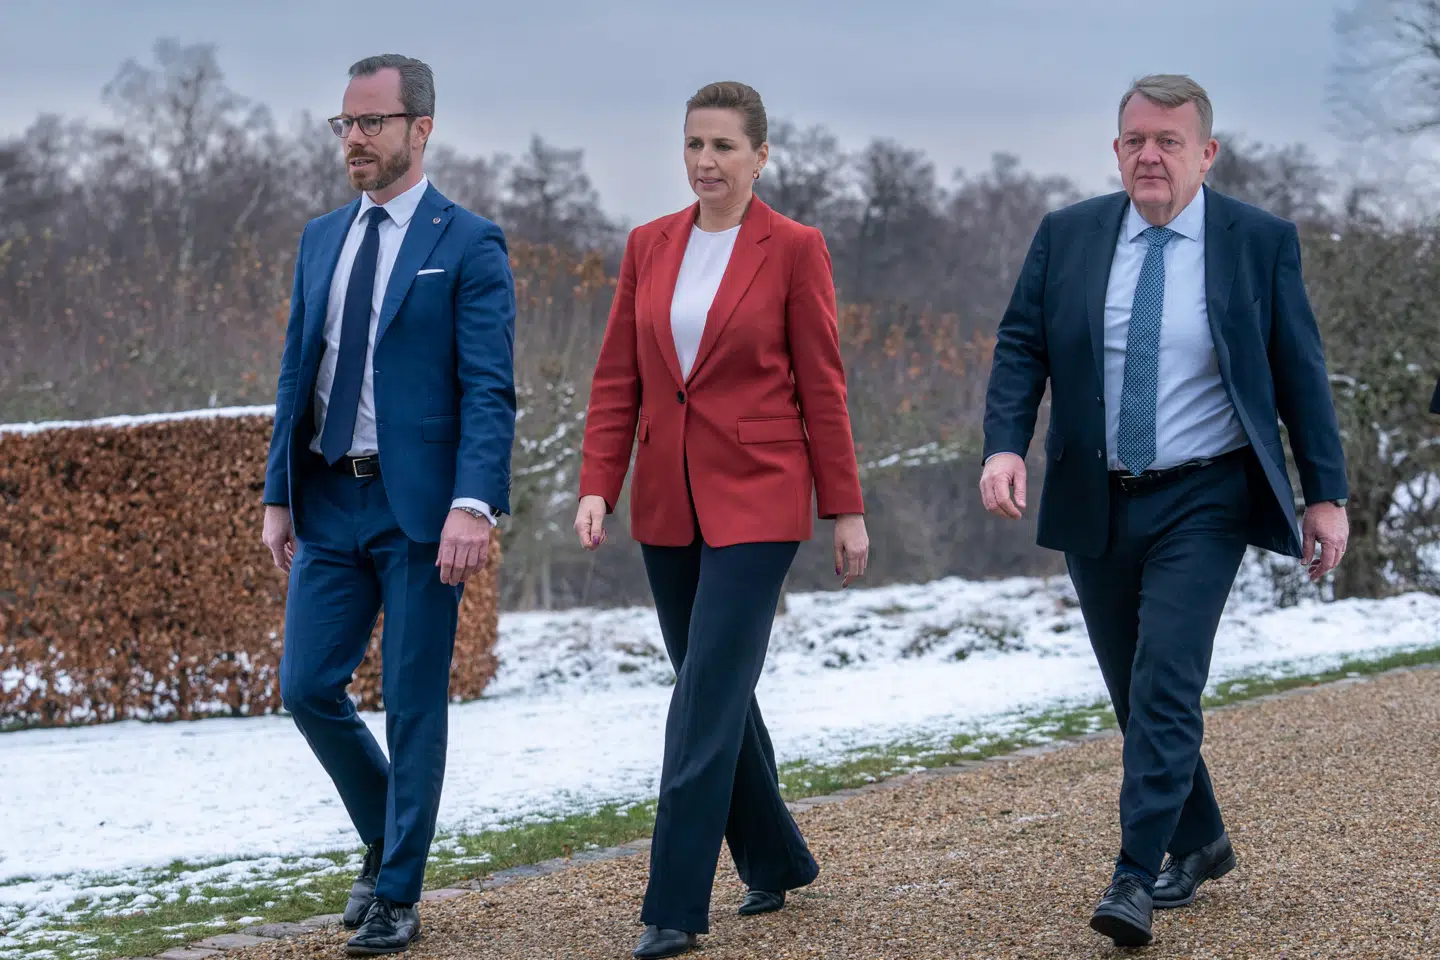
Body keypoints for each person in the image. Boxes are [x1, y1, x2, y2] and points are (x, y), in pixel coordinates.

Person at [979, 74, 1349, 948]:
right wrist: (1003, 444)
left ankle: (1134, 875)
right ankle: (1204, 839)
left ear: (1205, 153)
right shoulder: (1068, 236)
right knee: (1133, 690)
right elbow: (1021, 345)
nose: (1151, 154)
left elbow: (1301, 372)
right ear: (1117, 150)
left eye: (1169, 141)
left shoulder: (1257, 242)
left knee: (1166, 679)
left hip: (1206, 495)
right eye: (1136, 140)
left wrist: (1324, 494)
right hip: (1094, 497)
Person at [573, 80, 869, 959]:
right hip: (668, 499)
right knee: (717, 683)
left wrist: (844, 509)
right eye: (695, 144)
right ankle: (776, 856)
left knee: (702, 698)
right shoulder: (648, 245)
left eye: (724, 147)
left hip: (762, 497)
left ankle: (673, 904)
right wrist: (600, 481)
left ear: (760, 156)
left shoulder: (795, 248)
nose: (706, 161)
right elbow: (618, 377)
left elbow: (824, 385)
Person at [259, 54, 516, 956]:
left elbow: (489, 389)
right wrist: (277, 496)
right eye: (345, 124)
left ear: (421, 129)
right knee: (306, 687)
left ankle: (397, 892)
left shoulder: (469, 242)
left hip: (422, 513)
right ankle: (385, 834)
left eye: (372, 122)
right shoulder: (320, 237)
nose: (355, 139)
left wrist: (475, 504)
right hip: (329, 500)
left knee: (412, 703)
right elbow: (298, 373)